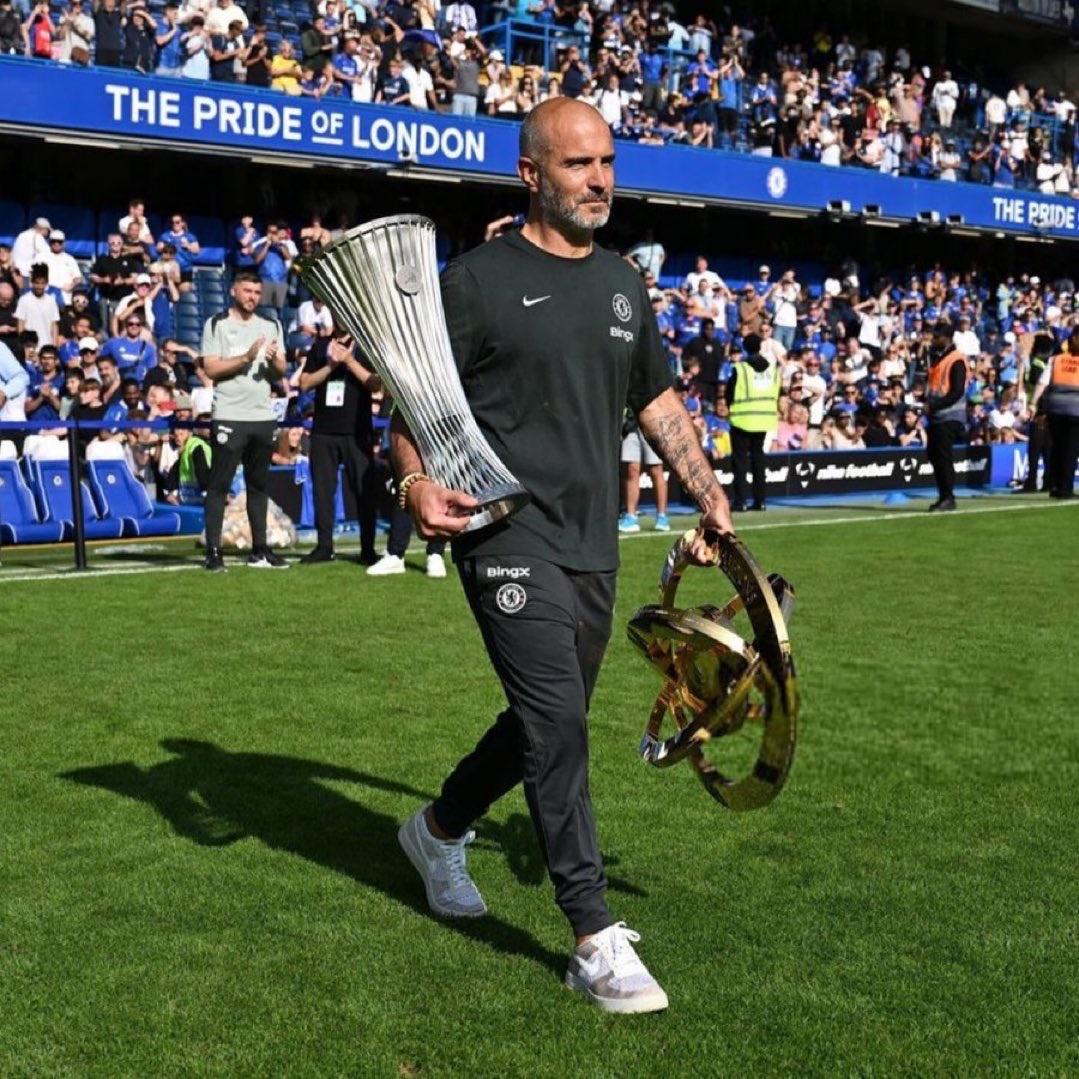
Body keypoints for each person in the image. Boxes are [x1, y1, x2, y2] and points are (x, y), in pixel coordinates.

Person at [391, 97, 733, 1015]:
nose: (598, 181)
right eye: (578, 164)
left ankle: (437, 830)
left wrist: (706, 492)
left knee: (547, 720)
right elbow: (410, 404)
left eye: (607, 162)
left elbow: (655, 402)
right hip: (503, 532)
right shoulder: (475, 282)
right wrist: (414, 484)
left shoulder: (623, 283)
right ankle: (590, 932)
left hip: (591, 538)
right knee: (558, 723)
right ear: (530, 173)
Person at [200, 270, 288, 571]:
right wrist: (246, 358)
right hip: (230, 414)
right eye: (247, 291)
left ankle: (260, 549)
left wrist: (275, 361)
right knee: (219, 485)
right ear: (233, 291)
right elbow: (211, 368)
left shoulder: (271, 324)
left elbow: (280, 372)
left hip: (262, 415)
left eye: (256, 292)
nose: (252, 297)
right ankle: (213, 552)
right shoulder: (217, 324)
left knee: (258, 485)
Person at [297, 329, 381, 564]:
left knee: (364, 491)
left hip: (357, 432)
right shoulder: (320, 346)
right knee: (323, 492)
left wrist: (349, 361)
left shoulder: (365, 345)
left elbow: (376, 384)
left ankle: (368, 549)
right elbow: (304, 383)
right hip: (324, 431)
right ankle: (324, 546)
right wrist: (331, 366)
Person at [725, 331, 779, 512]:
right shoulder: (772, 369)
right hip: (764, 419)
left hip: (742, 419)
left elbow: (729, 393)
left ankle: (741, 501)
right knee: (758, 460)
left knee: (740, 462)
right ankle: (760, 501)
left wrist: (731, 407)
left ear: (745, 348)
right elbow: (776, 391)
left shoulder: (741, 369)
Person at [924, 322, 969, 512]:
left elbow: (957, 391)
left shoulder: (956, 360)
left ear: (947, 338)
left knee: (942, 457)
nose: (933, 340)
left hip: (950, 416)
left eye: (937, 337)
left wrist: (934, 405)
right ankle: (944, 495)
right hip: (937, 416)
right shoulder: (939, 358)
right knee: (935, 456)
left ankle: (948, 497)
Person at [1031, 327, 1079, 499]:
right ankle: (1065, 489)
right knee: (1070, 450)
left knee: (1057, 447)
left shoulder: (1056, 360)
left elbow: (1042, 383)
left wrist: (1033, 404)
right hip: (1075, 411)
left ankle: (1054, 485)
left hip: (1054, 409)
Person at [617, 414, 669, 533]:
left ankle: (662, 517)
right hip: (630, 425)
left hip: (651, 420)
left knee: (656, 469)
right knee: (631, 470)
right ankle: (631, 517)